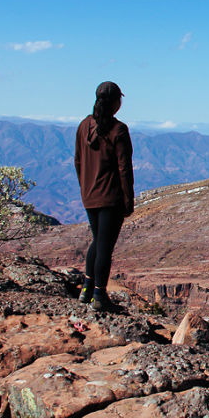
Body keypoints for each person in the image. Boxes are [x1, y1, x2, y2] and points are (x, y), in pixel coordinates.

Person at [74, 81, 134, 311]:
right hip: (111, 197)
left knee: (98, 240)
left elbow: (78, 161)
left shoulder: (84, 125)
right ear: (116, 102)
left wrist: (84, 187)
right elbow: (124, 169)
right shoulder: (118, 130)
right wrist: (128, 199)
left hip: (89, 195)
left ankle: (86, 289)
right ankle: (99, 296)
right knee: (105, 247)